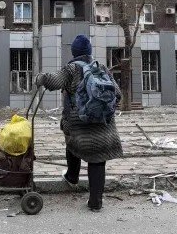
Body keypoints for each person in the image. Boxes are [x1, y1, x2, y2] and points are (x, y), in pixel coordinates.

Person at [35, 34, 123, 212]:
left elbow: (53, 81)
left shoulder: (72, 69)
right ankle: (95, 202)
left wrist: (41, 78)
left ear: (74, 52)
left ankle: (72, 177)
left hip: (79, 125)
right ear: (89, 52)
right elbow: (118, 94)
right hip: (103, 125)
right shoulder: (101, 68)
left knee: (72, 144)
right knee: (98, 160)